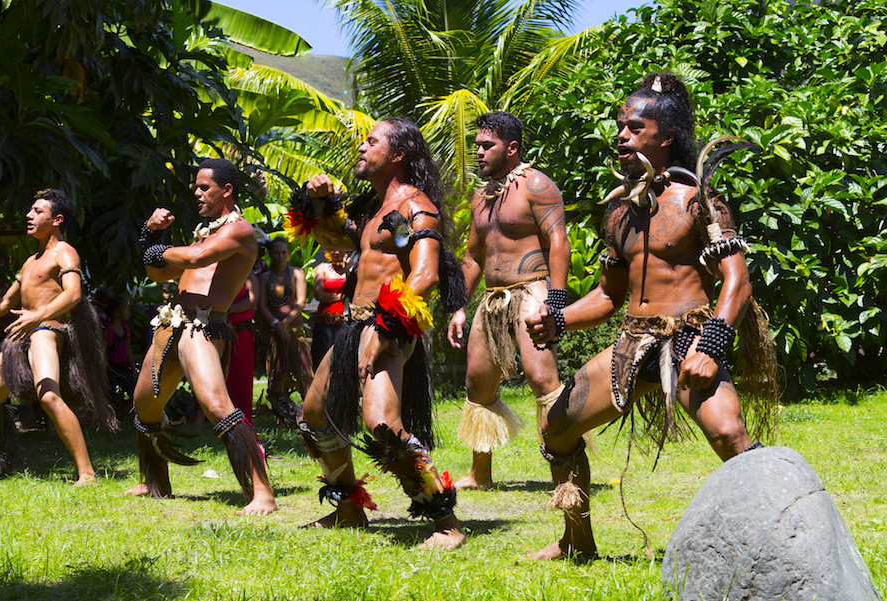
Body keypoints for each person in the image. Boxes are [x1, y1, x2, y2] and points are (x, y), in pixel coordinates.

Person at [524, 73, 779, 560]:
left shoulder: (701, 202)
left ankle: (778, 535)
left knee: (729, 434)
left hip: (688, 339)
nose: (621, 135)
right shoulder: (619, 211)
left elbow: (737, 281)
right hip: (630, 342)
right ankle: (577, 542)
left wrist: (711, 347)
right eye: (620, 125)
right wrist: (561, 320)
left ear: (665, 137)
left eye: (634, 127)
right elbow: (606, 295)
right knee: (557, 428)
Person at [294, 117, 469, 550]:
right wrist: (318, 202)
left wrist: (385, 328)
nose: (361, 146)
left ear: (397, 155)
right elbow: (334, 237)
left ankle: (445, 523)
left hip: (388, 324)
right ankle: (349, 510)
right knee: (315, 415)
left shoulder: (416, 207)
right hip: (355, 324)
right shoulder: (372, 209)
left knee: (382, 425)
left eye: (372, 141)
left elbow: (425, 274)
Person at [124, 157, 275, 516]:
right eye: (195, 187)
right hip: (172, 323)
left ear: (226, 190)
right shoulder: (203, 231)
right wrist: (151, 236)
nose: (196, 193)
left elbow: (198, 258)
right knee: (145, 403)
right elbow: (160, 274)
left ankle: (262, 492)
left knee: (217, 407)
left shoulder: (239, 230)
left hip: (203, 327)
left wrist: (158, 249)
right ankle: (154, 481)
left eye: (203, 187)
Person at [0, 189, 116, 484]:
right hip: (21, 336)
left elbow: (73, 293)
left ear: (57, 219)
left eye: (37, 211)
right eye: (30, 210)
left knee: (49, 395)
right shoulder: (31, 261)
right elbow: (4, 304)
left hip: (46, 331)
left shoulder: (64, 252)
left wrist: (38, 316)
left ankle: (87, 472)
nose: (29, 215)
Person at [446, 111, 570, 491]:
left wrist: (556, 300)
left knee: (542, 380)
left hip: (531, 289)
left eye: (488, 146)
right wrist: (458, 305)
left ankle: (564, 472)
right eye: (478, 145)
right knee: (477, 387)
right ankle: (480, 474)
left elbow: (558, 242)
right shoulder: (480, 197)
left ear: (512, 148)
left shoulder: (537, 185)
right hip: (492, 297)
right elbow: (472, 257)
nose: (479, 153)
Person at [257, 236, 312, 424]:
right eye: (277, 253)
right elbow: (261, 306)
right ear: (270, 254)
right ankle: (283, 417)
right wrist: (275, 324)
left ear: (289, 254)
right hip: (274, 334)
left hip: (294, 332)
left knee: (305, 374)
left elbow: (301, 302)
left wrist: (285, 323)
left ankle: (313, 415)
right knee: (277, 376)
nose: (281, 256)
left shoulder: (297, 273)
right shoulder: (265, 278)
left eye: (284, 252)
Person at [227, 272, 258, 422]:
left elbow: (252, 299)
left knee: (241, 372)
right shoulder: (219, 270)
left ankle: (242, 413)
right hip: (220, 327)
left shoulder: (247, 273)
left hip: (241, 330)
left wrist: (228, 309)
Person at [310, 249, 349, 366]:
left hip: (346, 323)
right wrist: (343, 297)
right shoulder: (322, 268)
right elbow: (318, 294)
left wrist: (347, 270)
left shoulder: (352, 267)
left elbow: (355, 291)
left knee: (343, 360)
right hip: (325, 324)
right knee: (323, 360)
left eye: (340, 249)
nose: (337, 252)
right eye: (334, 249)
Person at [105, 295, 137, 408]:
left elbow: (127, 349)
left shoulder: (125, 329)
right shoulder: (108, 330)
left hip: (123, 367)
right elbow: (104, 350)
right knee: (110, 395)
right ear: (116, 313)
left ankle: (135, 413)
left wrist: (132, 367)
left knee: (133, 389)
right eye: (126, 309)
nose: (128, 312)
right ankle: (110, 416)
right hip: (111, 368)